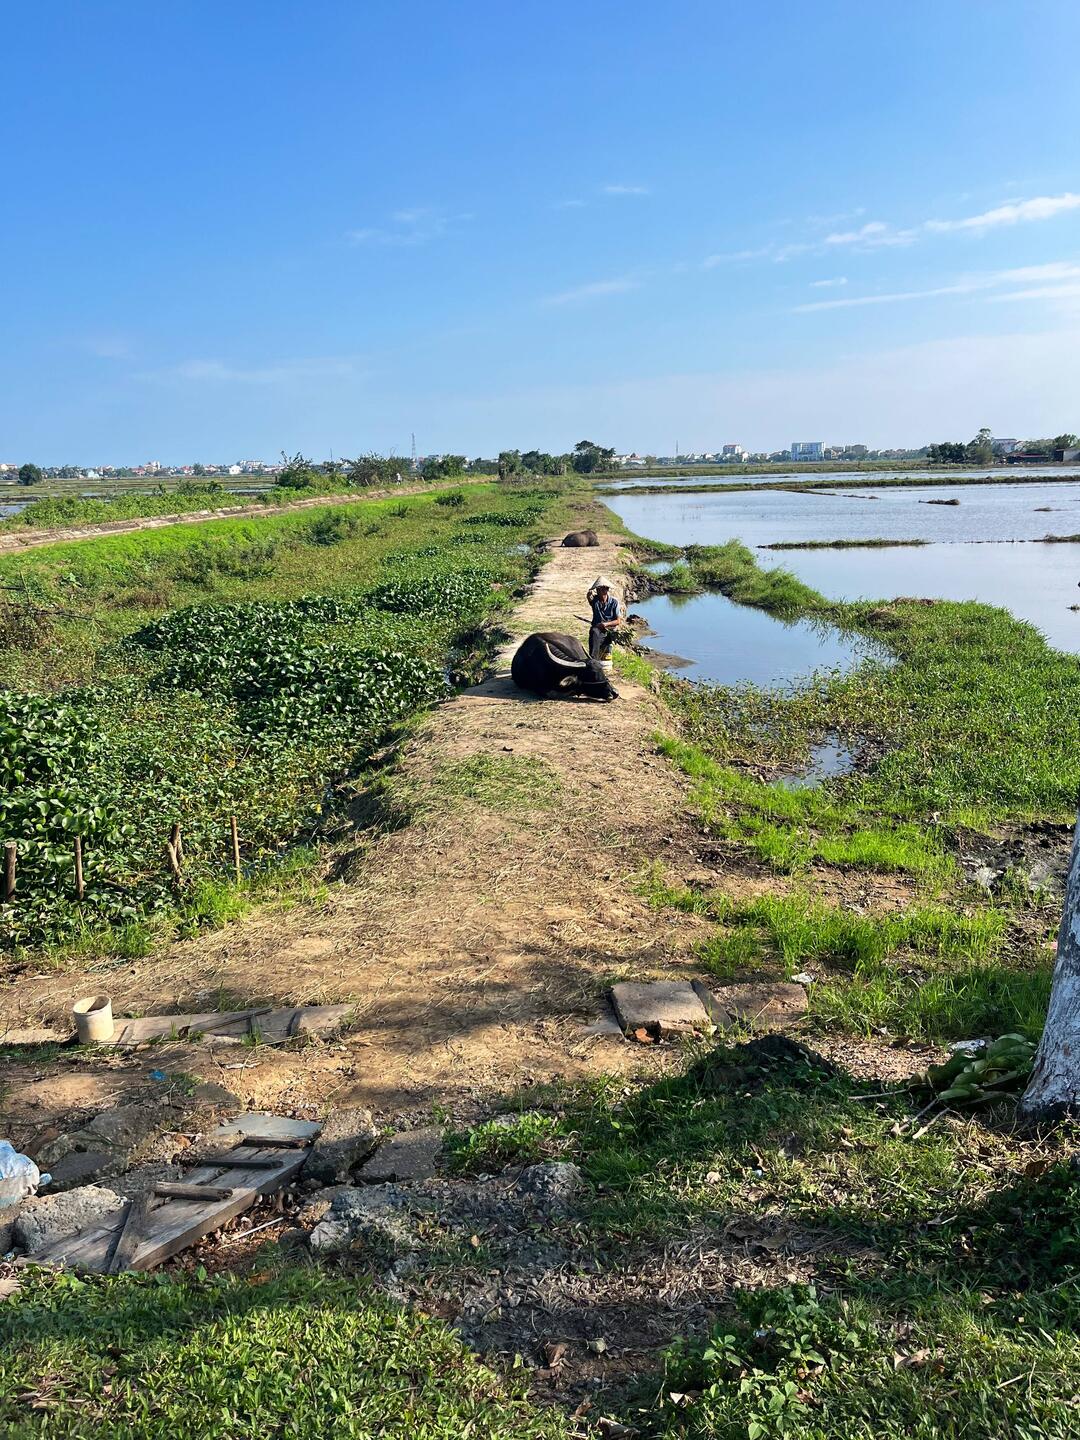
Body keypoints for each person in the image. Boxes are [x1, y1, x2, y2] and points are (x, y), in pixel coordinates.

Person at [587, 575, 621, 662]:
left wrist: (606, 624)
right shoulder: (595, 601)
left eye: (601, 589)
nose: (599, 591)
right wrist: (589, 596)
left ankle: (596, 659)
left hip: (609, 629)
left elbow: (618, 621)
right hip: (597, 628)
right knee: (594, 633)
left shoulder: (614, 602)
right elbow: (590, 599)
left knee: (605, 645)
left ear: (606, 590)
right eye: (598, 589)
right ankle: (593, 660)